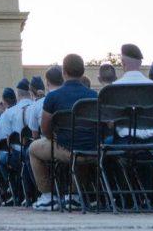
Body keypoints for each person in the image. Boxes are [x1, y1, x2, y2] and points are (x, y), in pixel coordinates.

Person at [28, 53, 97, 211]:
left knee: (33, 149)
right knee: (81, 142)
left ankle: (47, 196)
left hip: (66, 149)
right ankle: (74, 196)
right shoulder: (94, 96)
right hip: (91, 150)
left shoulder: (53, 97)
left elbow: (45, 130)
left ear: (64, 72)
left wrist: (54, 138)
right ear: (83, 71)